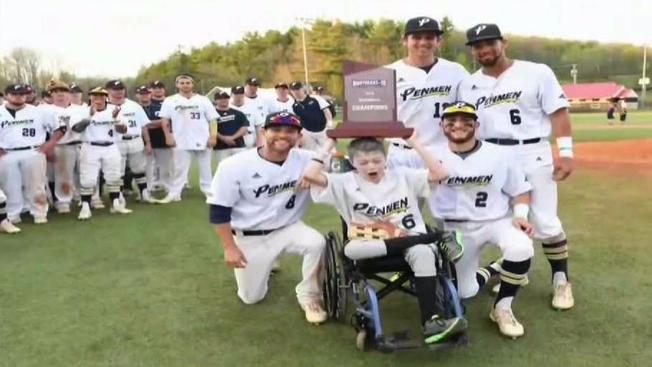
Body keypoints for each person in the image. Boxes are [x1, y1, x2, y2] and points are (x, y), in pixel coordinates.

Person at [302, 132, 467, 344]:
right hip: (370, 246)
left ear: (385, 160)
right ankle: (437, 238)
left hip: (410, 243)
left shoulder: (403, 176)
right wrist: (329, 143)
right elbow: (310, 175)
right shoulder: (343, 182)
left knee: (423, 252)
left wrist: (414, 142)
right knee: (350, 250)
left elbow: (440, 173)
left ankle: (431, 322)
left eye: (377, 161)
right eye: (363, 162)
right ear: (352, 163)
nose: (371, 166)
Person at [458, 23, 574, 310]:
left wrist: (567, 152)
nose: (484, 50)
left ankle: (561, 279)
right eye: (477, 46)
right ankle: (516, 272)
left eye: (489, 43)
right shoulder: (469, 84)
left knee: (545, 221)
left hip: (531, 151)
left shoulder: (536, 72)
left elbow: (558, 112)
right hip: (492, 157)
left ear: (504, 43)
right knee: (506, 222)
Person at [409, 102, 535, 338]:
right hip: (455, 229)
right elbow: (393, 176)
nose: (458, 125)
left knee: (521, 248)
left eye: (466, 120)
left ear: (476, 124)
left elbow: (521, 189)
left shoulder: (499, 153)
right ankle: (495, 268)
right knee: (465, 292)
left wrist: (520, 216)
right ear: (442, 125)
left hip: (496, 221)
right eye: (451, 120)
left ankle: (502, 307)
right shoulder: (428, 154)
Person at [207, 111, 327, 324]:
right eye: (276, 130)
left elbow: (348, 168)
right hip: (250, 235)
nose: (283, 135)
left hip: (288, 227)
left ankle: (309, 295)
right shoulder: (234, 165)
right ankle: (267, 263)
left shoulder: (309, 160)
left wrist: (316, 176)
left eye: (290, 131)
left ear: (299, 136)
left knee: (317, 243)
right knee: (251, 298)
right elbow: (219, 210)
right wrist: (229, 247)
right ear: (263, 132)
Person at [386, 16, 469, 168]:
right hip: (401, 153)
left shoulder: (456, 71)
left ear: (439, 41)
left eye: (429, 37)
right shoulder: (387, 72)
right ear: (404, 40)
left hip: (444, 151)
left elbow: (469, 112)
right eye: (416, 37)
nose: (423, 42)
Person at [0, 83, 65, 224]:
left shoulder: (38, 111)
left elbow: (61, 127)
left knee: (36, 185)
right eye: (15, 94)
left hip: (33, 150)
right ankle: (12, 214)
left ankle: (39, 212)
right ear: (6, 95)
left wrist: (50, 144)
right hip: (7, 153)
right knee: (10, 186)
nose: (19, 97)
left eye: (22, 94)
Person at [72, 87, 132, 219]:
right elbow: (76, 129)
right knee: (88, 178)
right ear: (90, 97)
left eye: (101, 96)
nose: (98, 99)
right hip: (90, 146)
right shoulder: (82, 110)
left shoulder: (113, 110)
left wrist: (116, 119)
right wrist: (89, 116)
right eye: (95, 96)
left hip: (110, 146)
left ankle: (116, 204)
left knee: (114, 176)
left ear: (106, 97)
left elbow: (123, 130)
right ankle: (85, 207)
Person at [159, 74, 218, 202]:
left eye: (187, 83)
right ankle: (174, 193)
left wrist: (213, 136)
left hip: (202, 138)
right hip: (180, 139)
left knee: (205, 168)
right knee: (179, 168)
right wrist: (168, 136)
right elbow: (165, 120)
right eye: (182, 83)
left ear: (192, 84)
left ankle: (209, 192)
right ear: (177, 85)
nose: (185, 85)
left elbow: (212, 120)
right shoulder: (170, 100)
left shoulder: (203, 100)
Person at [40, 80, 87, 214]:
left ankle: (88, 198)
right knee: (63, 176)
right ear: (51, 95)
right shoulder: (45, 110)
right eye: (55, 92)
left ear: (69, 94)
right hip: (62, 145)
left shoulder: (80, 109)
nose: (60, 94)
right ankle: (63, 201)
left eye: (63, 91)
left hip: (81, 143)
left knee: (85, 173)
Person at [105, 80, 156, 204]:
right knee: (118, 170)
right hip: (117, 142)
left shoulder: (134, 105)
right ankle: (118, 196)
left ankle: (143, 193)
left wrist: (148, 142)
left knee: (139, 168)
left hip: (135, 139)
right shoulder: (105, 107)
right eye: (115, 89)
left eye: (121, 89)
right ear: (108, 91)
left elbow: (144, 125)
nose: (119, 92)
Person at [138, 83, 172, 194]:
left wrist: (148, 123)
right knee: (147, 166)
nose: (144, 96)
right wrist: (155, 123)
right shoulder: (135, 108)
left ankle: (166, 185)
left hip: (161, 139)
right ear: (137, 95)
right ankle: (149, 187)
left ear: (150, 94)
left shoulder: (159, 106)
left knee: (164, 165)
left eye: (146, 93)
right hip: (144, 140)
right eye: (142, 94)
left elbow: (166, 121)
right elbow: (141, 124)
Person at [289, 81, 333, 151]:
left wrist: (329, 124)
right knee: (309, 152)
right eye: (293, 90)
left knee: (329, 150)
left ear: (302, 89)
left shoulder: (315, 98)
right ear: (291, 92)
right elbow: (294, 119)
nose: (296, 92)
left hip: (323, 129)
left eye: (298, 89)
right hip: (307, 131)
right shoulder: (293, 105)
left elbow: (326, 111)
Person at [211, 91, 249, 162]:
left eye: (225, 98)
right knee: (224, 169)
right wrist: (224, 138)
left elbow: (244, 127)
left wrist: (232, 138)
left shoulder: (238, 113)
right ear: (216, 100)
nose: (223, 100)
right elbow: (211, 128)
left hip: (238, 146)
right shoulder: (212, 114)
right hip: (221, 148)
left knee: (242, 167)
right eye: (220, 98)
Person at [243, 77, 270, 147]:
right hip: (248, 133)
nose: (253, 88)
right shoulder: (241, 100)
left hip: (263, 132)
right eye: (250, 85)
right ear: (246, 86)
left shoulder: (263, 100)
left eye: (255, 85)